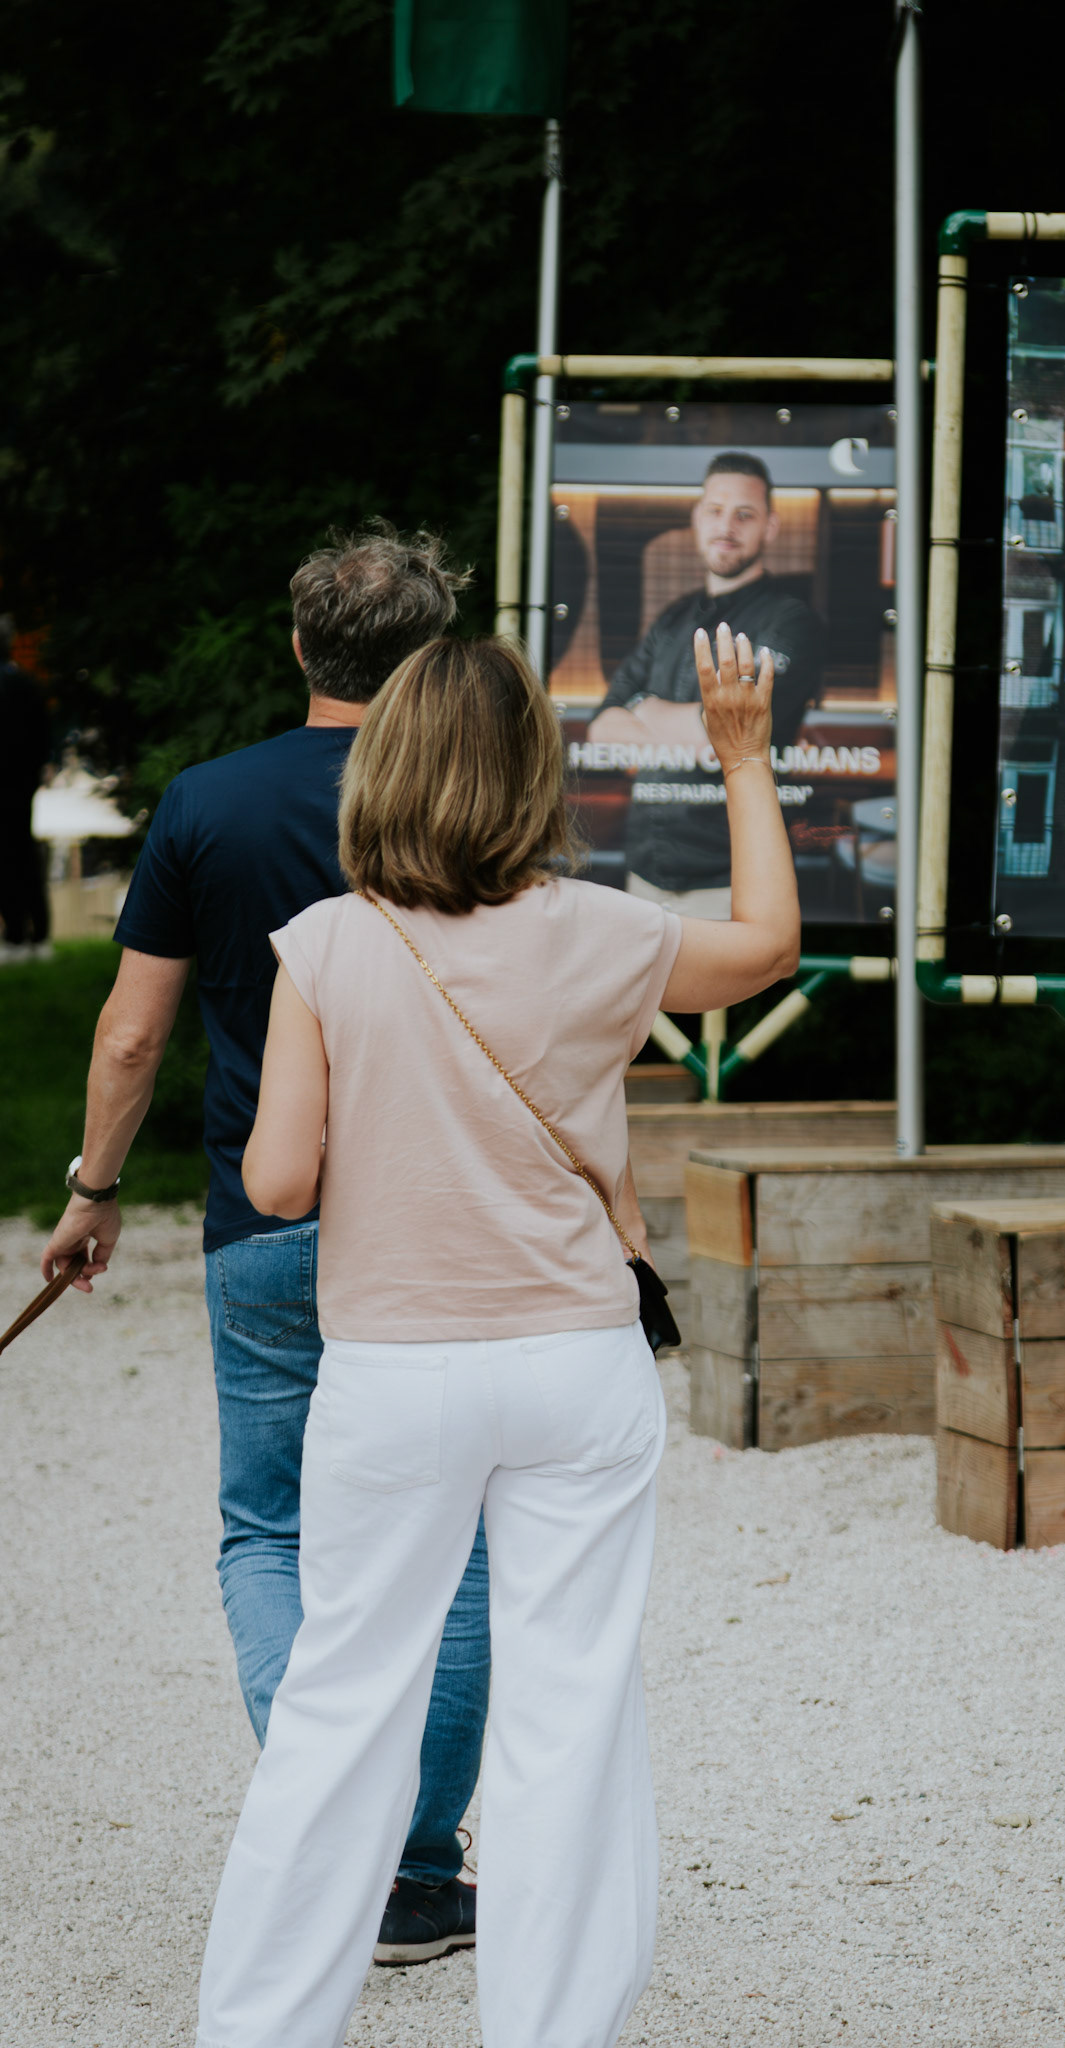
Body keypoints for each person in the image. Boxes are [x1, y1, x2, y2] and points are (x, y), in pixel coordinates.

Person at [187, 622, 799, 2048]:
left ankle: (262, 2030)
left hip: (394, 1373)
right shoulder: (604, 932)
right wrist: (742, 756)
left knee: (341, 1709)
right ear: (537, 774)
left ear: (384, 771)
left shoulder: (328, 943)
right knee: (569, 1712)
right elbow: (765, 944)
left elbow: (275, 1183)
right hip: (576, 1366)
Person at [38, 528, 497, 1968]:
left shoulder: (206, 804)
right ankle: (419, 1874)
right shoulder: (476, 805)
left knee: (270, 1527)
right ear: (433, 658)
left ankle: (325, 1837)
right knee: (454, 1545)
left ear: (299, 647)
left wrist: (92, 1189)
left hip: (265, 1223)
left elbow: (130, 1031)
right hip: (442, 1229)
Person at [588, 450, 825, 916]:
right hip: (645, 872)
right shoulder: (671, 619)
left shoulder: (792, 621)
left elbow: (724, 730)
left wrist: (645, 708)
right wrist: (693, 724)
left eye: (745, 515)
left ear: (770, 527)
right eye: (715, 511)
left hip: (733, 877)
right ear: (697, 519)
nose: (727, 527)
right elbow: (600, 728)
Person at [0, 614, 52, 962]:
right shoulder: (27, 685)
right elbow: (43, 738)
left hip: (12, 785)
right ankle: (37, 932)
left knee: (9, 857)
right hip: (21, 785)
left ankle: (18, 933)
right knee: (23, 855)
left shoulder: (19, 685)